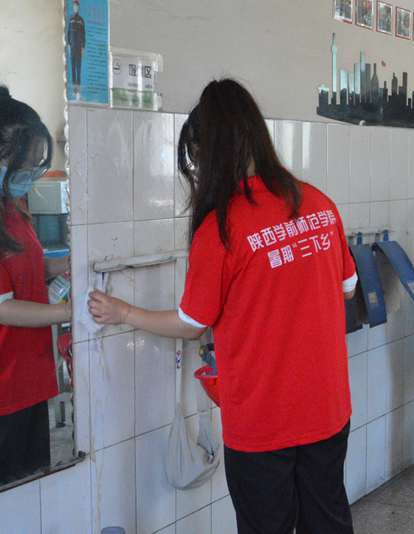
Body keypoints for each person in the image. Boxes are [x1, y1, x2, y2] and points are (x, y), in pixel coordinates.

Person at [89, 79, 358, 534]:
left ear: (210, 153)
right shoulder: (317, 204)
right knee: (328, 520)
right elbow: (347, 288)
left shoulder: (222, 229)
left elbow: (191, 323)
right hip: (327, 407)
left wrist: (124, 312)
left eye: (196, 160)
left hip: (262, 418)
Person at [0, 87, 71, 484]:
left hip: (30, 378)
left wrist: (64, 265)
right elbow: (3, 306)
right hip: (4, 387)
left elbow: (24, 268)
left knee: (34, 485)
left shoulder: (13, 208)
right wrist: (66, 312)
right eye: (22, 167)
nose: (28, 177)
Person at [67, 0, 85, 100]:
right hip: (72, 48)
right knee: (73, 69)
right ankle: (75, 90)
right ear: (73, 7)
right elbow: (68, 33)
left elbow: (84, 34)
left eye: (77, 6)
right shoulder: (70, 19)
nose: (75, 8)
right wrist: (69, 45)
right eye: (74, 6)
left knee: (78, 69)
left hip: (79, 48)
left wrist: (83, 47)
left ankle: (78, 92)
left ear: (78, 7)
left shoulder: (81, 20)